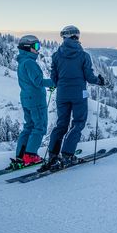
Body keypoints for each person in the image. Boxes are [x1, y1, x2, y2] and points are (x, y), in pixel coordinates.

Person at [38, 25, 105, 172]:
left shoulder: (56, 56)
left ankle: (53, 156)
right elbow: (89, 77)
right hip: (79, 94)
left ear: (64, 37)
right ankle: (67, 155)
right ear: (76, 37)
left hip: (62, 94)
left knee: (61, 124)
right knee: (78, 123)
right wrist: (99, 81)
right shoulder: (84, 56)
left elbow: (54, 79)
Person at [12, 35, 54, 168]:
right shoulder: (30, 63)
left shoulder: (22, 62)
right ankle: (30, 155)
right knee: (39, 127)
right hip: (36, 99)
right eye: (36, 46)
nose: (38, 49)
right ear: (27, 47)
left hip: (26, 98)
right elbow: (38, 82)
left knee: (29, 126)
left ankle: (21, 155)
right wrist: (54, 82)